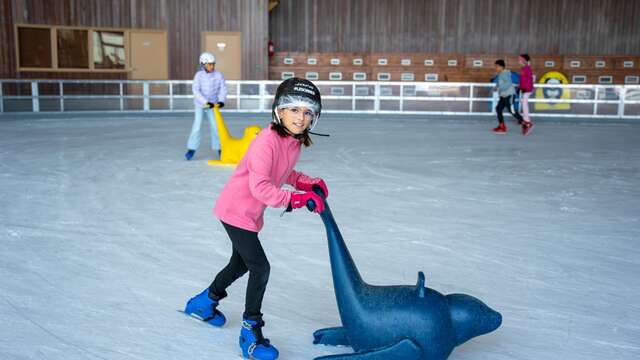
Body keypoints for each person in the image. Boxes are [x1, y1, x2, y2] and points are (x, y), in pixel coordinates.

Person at [184, 78, 329, 360]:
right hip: (236, 211)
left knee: (239, 265)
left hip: (247, 214)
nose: (302, 117)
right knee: (260, 267)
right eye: (295, 110)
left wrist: (307, 184)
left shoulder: (292, 143)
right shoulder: (266, 141)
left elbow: (284, 172)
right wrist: (296, 200)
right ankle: (250, 331)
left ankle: (203, 302)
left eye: (308, 112)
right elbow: (261, 187)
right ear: (280, 111)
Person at [185, 52, 227, 160]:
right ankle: (191, 149)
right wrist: (205, 102)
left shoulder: (218, 75)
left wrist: (221, 100)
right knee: (197, 126)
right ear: (203, 64)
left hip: (213, 105)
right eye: (209, 64)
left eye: (213, 64)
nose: (211, 66)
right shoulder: (198, 76)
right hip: (200, 104)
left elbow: (223, 89)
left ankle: (219, 149)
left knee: (216, 127)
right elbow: (196, 91)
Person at [492, 59, 524, 134]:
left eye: (496, 66)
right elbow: (503, 82)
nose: (495, 68)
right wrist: (497, 86)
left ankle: (525, 123)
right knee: (498, 108)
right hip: (504, 95)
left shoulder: (504, 73)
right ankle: (501, 126)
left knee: (511, 110)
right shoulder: (501, 74)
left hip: (509, 95)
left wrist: (499, 88)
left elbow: (508, 83)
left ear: (501, 67)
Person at [518, 54, 535, 136]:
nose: (519, 61)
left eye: (520, 60)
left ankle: (527, 122)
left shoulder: (527, 68)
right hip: (524, 89)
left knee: (524, 103)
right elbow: (522, 80)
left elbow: (529, 80)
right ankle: (526, 121)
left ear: (524, 60)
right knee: (523, 103)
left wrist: (525, 88)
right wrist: (520, 87)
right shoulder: (523, 68)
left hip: (527, 89)